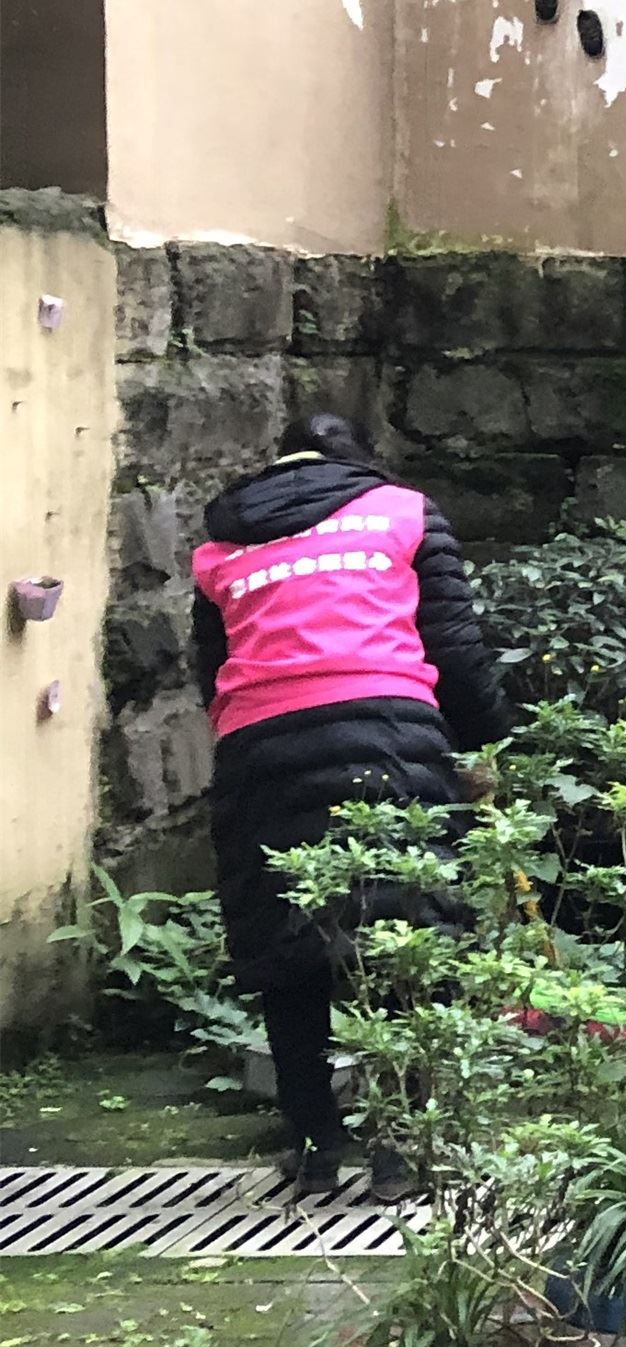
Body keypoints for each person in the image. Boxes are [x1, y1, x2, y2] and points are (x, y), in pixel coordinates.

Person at [189, 410, 509, 1190]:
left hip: (262, 751)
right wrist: (489, 741)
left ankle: (313, 1151)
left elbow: (210, 670)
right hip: (390, 738)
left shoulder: (222, 543)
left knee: (287, 943)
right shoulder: (403, 511)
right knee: (404, 937)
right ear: (359, 460)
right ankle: (399, 1155)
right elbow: (455, 649)